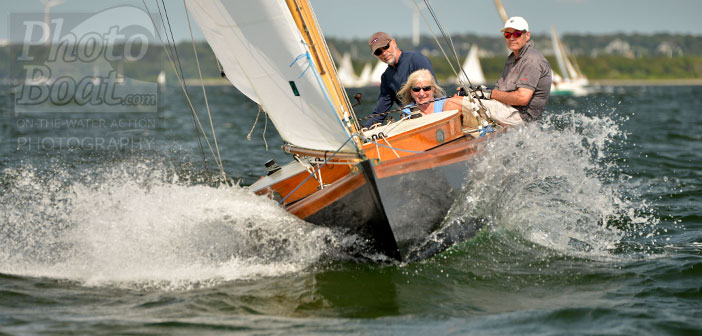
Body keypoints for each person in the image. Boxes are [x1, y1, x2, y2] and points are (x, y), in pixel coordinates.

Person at [472, 16, 552, 125]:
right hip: (509, 110)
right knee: (458, 98)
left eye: (517, 34)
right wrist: (474, 93)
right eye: (507, 35)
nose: (512, 38)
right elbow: (499, 91)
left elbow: (522, 98)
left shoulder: (531, 60)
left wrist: (489, 94)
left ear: (527, 35)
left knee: (454, 104)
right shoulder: (512, 58)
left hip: (520, 117)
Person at [364, 32, 434, 127]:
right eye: (378, 52)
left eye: (385, 47)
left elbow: (434, 91)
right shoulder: (386, 77)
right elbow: (380, 111)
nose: (384, 53)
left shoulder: (416, 60)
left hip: (432, 118)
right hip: (411, 124)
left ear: (393, 43)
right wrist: (364, 131)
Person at [397, 69, 481, 130]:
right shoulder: (407, 112)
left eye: (426, 88)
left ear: (433, 90)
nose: (421, 93)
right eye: (416, 89)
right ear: (411, 92)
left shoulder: (447, 103)